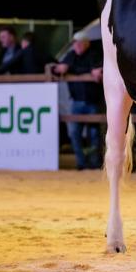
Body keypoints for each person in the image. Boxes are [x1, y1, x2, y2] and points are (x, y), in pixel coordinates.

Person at [53, 31, 104, 169]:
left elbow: (99, 69)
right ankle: (81, 163)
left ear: (87, 43)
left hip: (92, 102)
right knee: (75, 134)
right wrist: (60, 69)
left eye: (80, 42)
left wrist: (72, 70)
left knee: (94, 135)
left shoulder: (94, 55)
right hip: (76, 102)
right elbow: (57, 68)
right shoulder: (71, 56)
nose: (77, 45)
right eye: (75, 43)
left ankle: (94, 163)